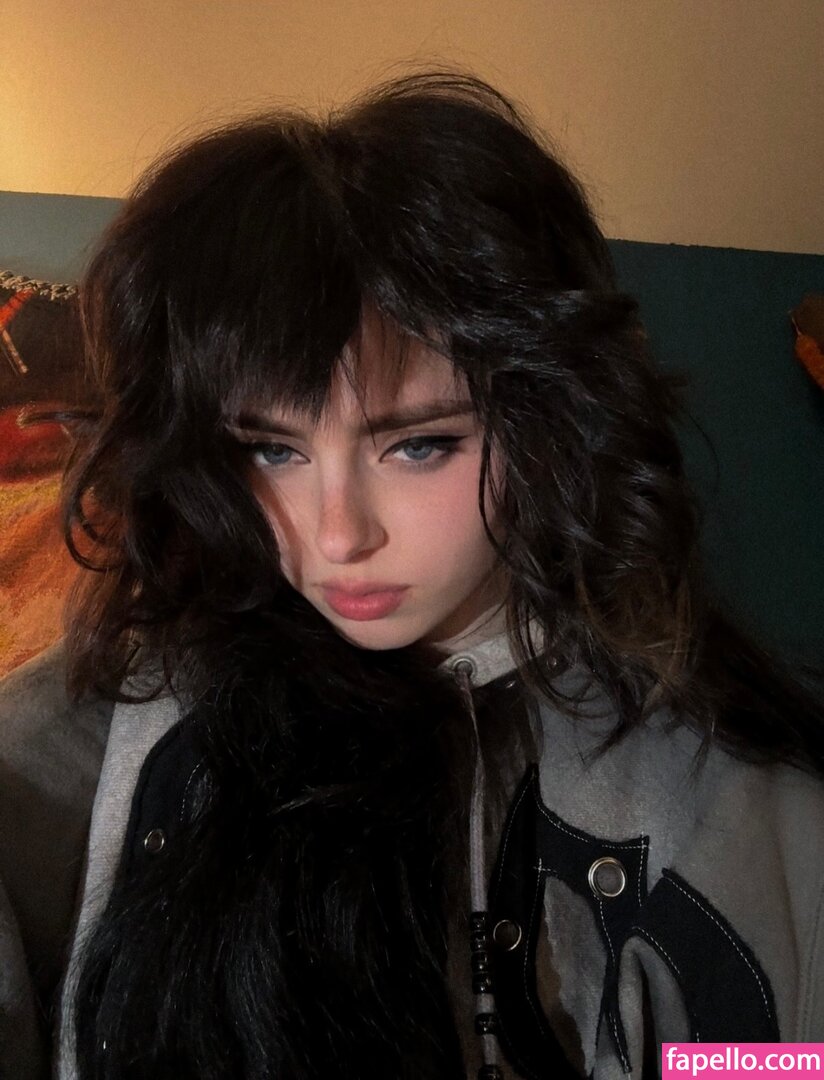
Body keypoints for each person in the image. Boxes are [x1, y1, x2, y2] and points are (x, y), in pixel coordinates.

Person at [0, 72, 822, 1080]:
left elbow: (774, 1056)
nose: (336, 536)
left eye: (418, 445)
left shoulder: (745, 794)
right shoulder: (89, 737)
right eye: (270, 450)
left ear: (550, 422)